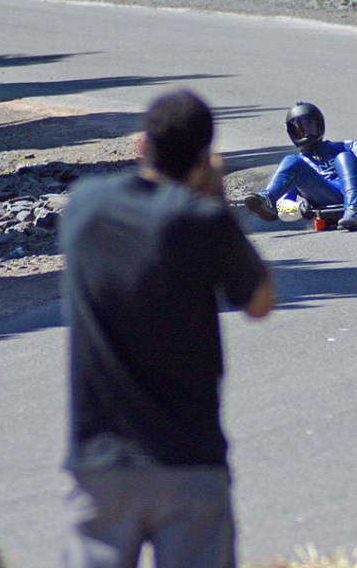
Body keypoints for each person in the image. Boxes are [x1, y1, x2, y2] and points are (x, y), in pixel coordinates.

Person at [59, 88, 275, 568]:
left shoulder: (85, 208)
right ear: (203, 160)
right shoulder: (203, 222)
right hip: (189, 460)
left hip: (101, 461)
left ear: (141, 146)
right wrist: (216, 199)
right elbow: (260, 301)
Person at [244, 101, 357, 231]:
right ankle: (267, 198)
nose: (305, 133)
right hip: (326, 196)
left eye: (309, 127)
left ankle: (352, 210)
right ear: (291, 133)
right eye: (299, 130)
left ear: (319, 125)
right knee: (290, 160)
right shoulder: (299, 166)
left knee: (343, 157)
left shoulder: (347, 146)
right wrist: (299, 208)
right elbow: (284, 203)